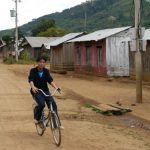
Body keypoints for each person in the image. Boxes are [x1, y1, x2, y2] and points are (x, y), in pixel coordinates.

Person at [28, 56, 61, 123]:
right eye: (40, 62)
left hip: (45, 91)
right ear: (37, 62)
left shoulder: (46, 71)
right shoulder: (33, 70)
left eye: (43, 62)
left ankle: (57, 124)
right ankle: (37, 118)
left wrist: (56, 87)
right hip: (37, 91)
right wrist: (33, 87)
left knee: (53, 104)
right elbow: (31, 80)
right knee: (42, 104)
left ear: (45, 63)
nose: (42, 63)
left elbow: (50, 80)